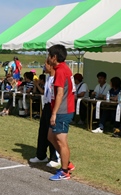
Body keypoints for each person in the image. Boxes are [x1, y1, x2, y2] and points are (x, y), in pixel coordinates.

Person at [47, 44, 75, 181]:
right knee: (51, 136)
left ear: (54, 57)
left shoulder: (60, 71)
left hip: (63, 110)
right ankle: (67, 162)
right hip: (62, 109)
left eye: (49, 55)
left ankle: (64, 171)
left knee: (61, 140)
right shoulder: (63, 68)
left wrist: (54, 113)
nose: (48, 59)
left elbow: (59, 94)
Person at [29, 61, 60, 168]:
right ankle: (41, 155)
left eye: (46, 65)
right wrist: (37, 85)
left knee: (52, 133)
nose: (44, 67)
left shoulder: (57, 78)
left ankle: (55, 157)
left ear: (51, 66)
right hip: (46, 106)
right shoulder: (48, 78)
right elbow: (44, 93)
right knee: (43, 131)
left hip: (53, 107)